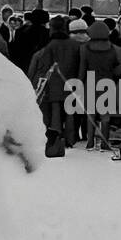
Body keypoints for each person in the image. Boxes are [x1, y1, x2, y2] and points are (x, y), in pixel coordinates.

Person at [28, 16, 81, 150]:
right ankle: (70, 138)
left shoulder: (51, 45)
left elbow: (45, 64)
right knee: (70, 112)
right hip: (72, 80)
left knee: (56, 110)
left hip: (55, 82)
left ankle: (56, 137)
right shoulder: (74, 44)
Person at [78, 21, 119, 149]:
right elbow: (116, 67)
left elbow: (82, 68)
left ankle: (90, 141)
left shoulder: (85, 48)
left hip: (90, 82)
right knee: (105, 115)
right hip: (108, 83)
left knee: (91, 114)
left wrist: (79, 83)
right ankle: (105, 142)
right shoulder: (112, 48)